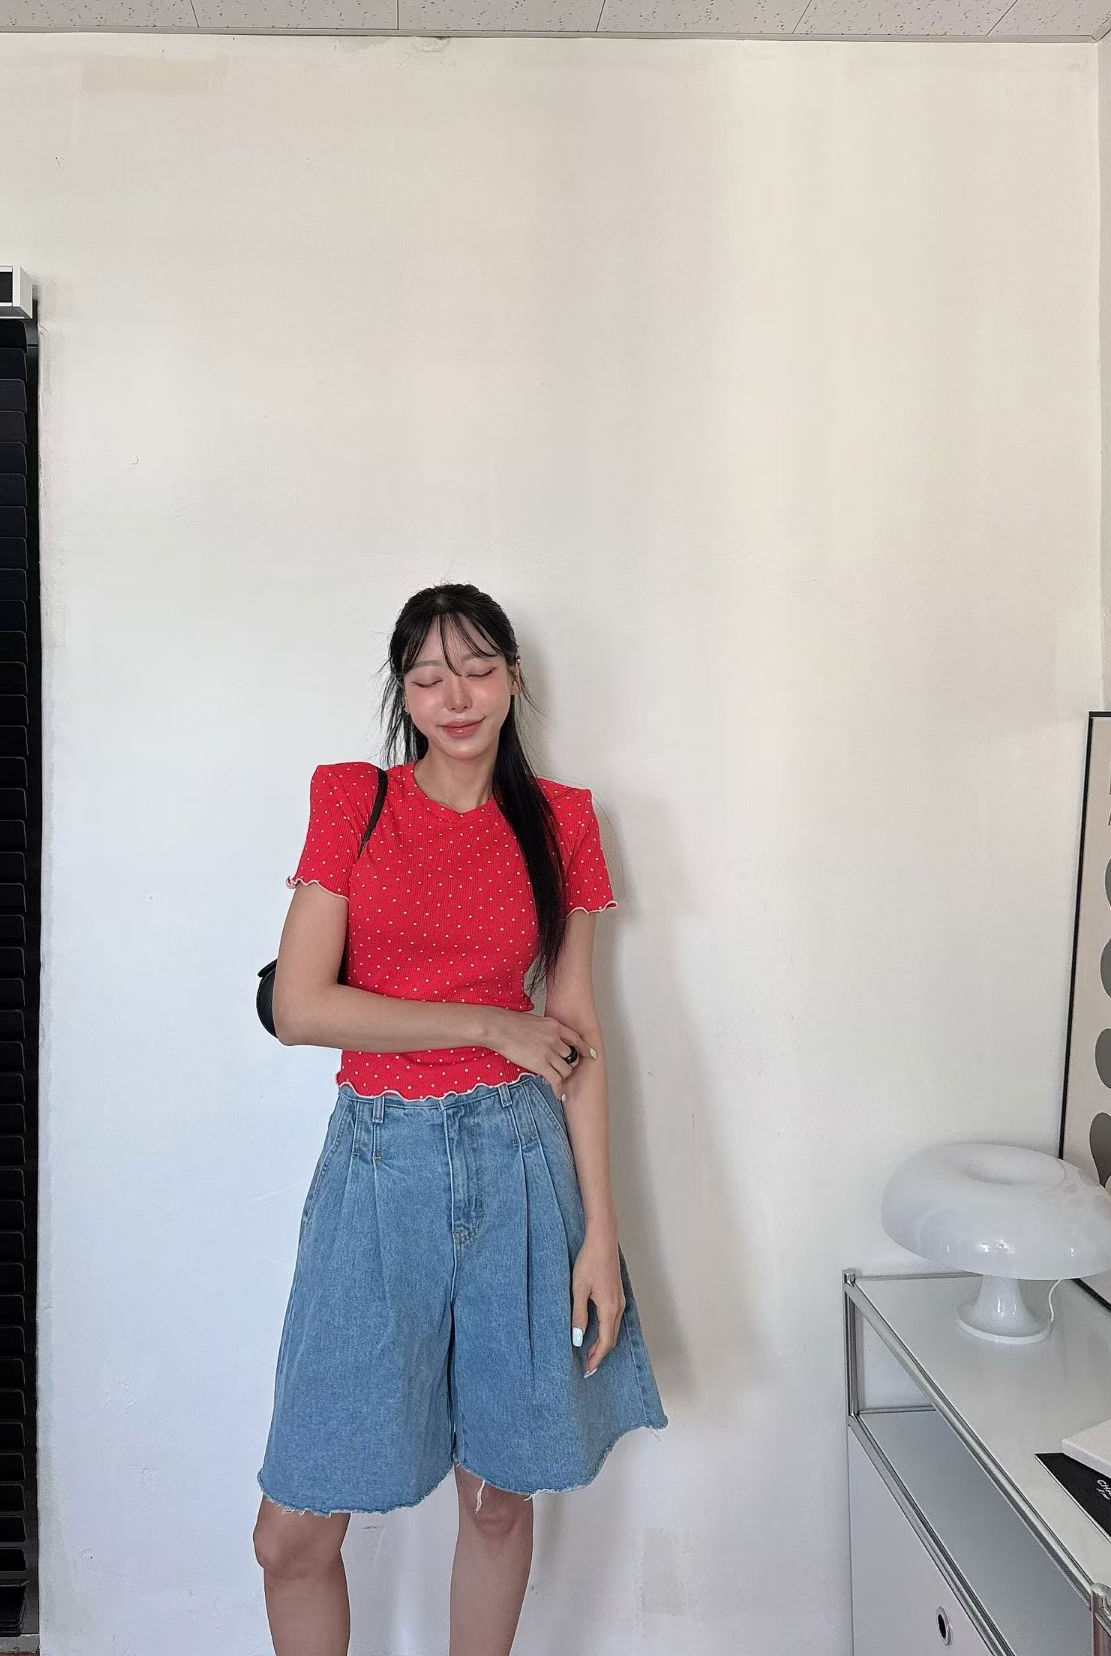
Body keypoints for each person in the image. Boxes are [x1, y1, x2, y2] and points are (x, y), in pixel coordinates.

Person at [252, 583, 668, 1656]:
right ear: (404, 693)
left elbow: (578, 1032)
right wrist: (490, 1023)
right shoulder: (356, 802)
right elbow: (299, 1007)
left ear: (514, 678)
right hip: (377, 1168)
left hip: (518, 1165)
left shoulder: (562, 821)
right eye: (430, 677)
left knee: (496, 1500)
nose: (457, 696)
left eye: (479, 670)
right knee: (291, 1534)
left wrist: (603, 1237)